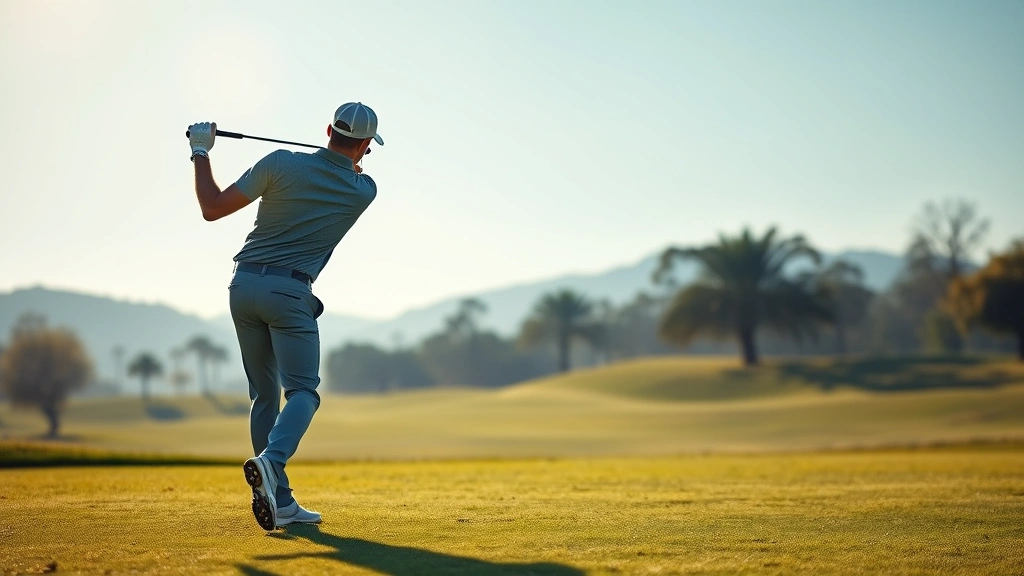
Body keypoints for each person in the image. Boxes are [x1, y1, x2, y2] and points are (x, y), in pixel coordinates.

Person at [186, 102, 383, 530]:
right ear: (365, 145)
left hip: (243, 287)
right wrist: (351, 156)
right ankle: (271, 463)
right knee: (304, 393)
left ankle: (281, 501)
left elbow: (212, 207)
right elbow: (352, 170)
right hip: (289, 294)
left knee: (264, 396)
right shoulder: (363, 190)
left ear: (328, 128)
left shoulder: (279, 163)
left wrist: (201, 151)